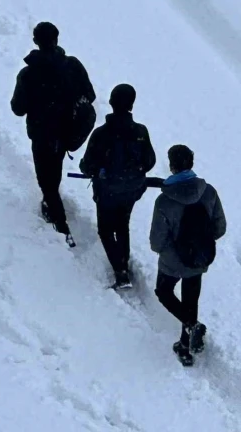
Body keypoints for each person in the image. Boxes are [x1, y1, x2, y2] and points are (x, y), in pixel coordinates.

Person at [11, 22, 96, 247]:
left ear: (35, 41)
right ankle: (52, 203)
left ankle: (61, 224)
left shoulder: (28, 74)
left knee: (45, 180)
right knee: (54, 171)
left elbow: (18, 108)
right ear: (57, 39)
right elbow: (91, 95)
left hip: (41, 134)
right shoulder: (73, 66)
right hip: (67, 133)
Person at [149, 145, 226, 366]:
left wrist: (165, 252)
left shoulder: (164, 201)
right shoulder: (209, 192)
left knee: (164, 291)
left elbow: (157, 239)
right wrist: (199, 242)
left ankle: (193, 326)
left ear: (172, 166)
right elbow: (219, 227)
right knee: (191, 300)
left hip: (172, 261)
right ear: (191, 163)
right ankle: (186, 346)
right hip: (199, 258)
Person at [79, 84, 156, 289]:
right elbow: (150, 161)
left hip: (107, 191)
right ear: (131, 105)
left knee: (105, 230)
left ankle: (120, 272)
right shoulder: (141, 131)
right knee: (122, 225)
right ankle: (123, 263)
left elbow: (87, 165)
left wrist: (94, 171)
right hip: (132, 190)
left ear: (111, 103)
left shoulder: (101, 134)